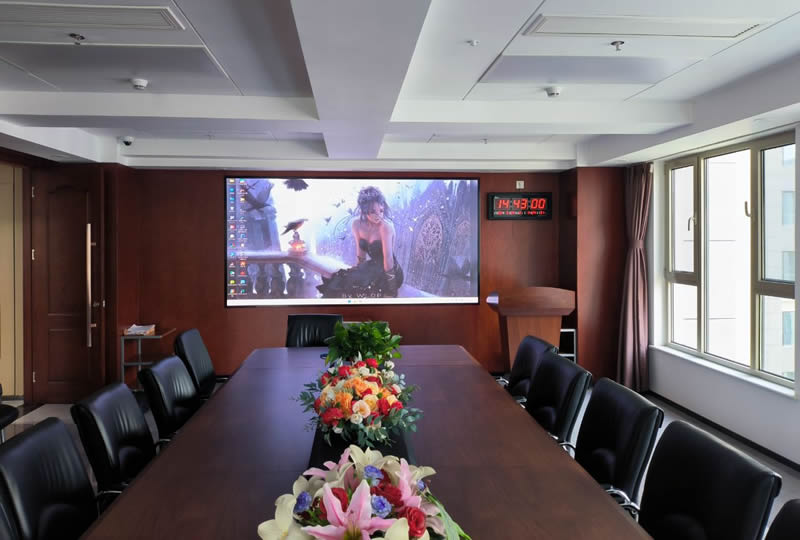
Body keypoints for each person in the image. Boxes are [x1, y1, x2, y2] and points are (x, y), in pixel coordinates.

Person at [317, 186, 404, 298]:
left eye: (381, 211)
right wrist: (358, 272)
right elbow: (361, 255)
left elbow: (388, 259)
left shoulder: (386, 227)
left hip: (390, 272)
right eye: (373, 211)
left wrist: (392, 289)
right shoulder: (356, 224)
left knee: (360, 289)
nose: (379, 215)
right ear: (364, 210)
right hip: (372, 267)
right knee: (341, 282)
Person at [242, 179, 285, 296]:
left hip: (264, 223)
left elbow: (267, 207)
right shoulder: (243, 183)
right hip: (251, 226)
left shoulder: (263, 182)